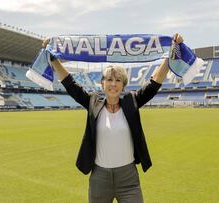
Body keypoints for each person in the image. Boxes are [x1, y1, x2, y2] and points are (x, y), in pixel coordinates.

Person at [42, 33, 183, 203]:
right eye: (109, 79)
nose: (113, 84)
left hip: (128, 179)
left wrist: (171, 55)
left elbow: (153, 84)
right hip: (99, 179)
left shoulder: (132, 101)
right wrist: (53, 59)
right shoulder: (93, 102)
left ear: (123, 84)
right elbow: (71, 85)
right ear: (102, 83)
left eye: (118, 80)